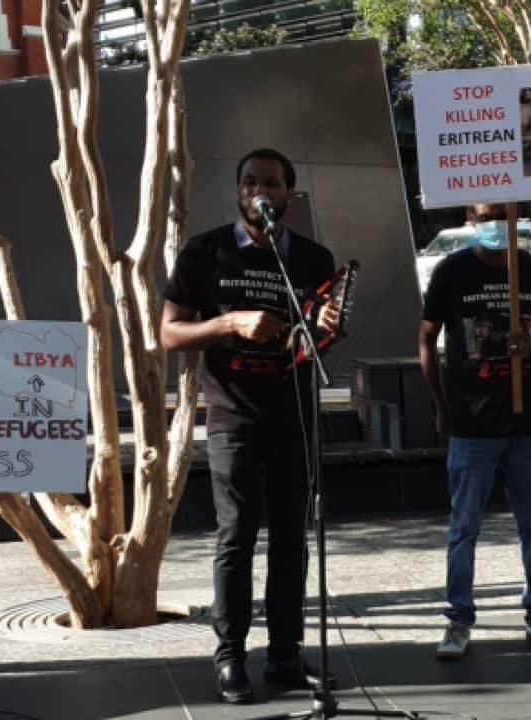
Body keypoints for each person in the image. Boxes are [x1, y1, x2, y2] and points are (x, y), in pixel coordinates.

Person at [159, 148, 340, 705]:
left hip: (294, 418)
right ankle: (230, 658)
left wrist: (328, 326)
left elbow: (318, 338)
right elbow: (167, 333)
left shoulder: (311, 259)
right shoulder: (205, 252)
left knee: (292, 540)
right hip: (233, 417)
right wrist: (230, 321)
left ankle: (285, 655)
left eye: (270, 183)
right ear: (238, 192)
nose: (258, 191)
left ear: (288, 193)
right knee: (236, 536)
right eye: (249, 182)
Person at [419, 203, 531, 661]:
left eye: (503, 216)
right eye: (486, 216)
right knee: (463, 527)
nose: (494, 225)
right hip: (471, 423)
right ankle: (458, 619)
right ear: (472, 218)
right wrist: (440, 403)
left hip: (528, 424)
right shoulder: (452, 271)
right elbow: (426, 338)